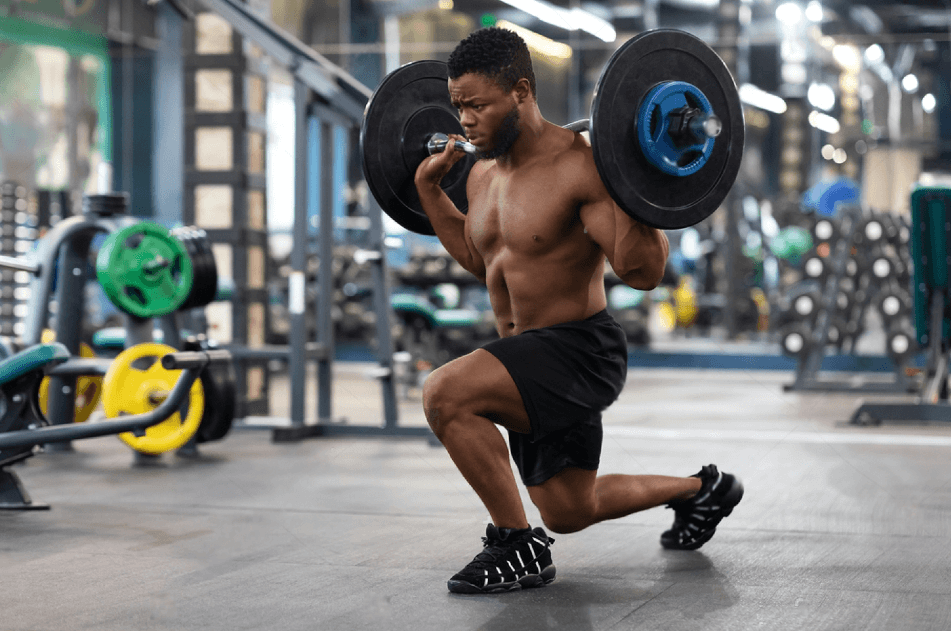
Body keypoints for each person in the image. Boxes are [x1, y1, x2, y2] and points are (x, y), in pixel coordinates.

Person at [414, 27, 743, 595]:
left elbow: (643, 274)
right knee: (570, 508)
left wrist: (631, 180)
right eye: (458, 106)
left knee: (445, 393)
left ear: (520, 92)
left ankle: (517, 546)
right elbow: (480, 259)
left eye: (477, 105)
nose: (464, 120)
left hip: (577, 350)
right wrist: (429, 193)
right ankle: (703, 490)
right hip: (526, 360)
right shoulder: (483, 176)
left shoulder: (580, 168)